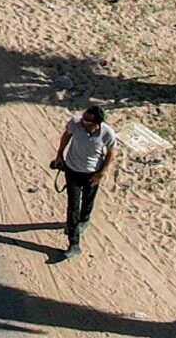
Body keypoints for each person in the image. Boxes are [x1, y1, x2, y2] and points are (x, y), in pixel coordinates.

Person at [51, 105, 116, 258]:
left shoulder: (107, 133)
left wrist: (101, 173)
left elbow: (111, 153)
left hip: (92, 173)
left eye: (86, 120)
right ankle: (74, 244)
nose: (82, 121)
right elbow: (66, 136)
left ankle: (84, 220)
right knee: (73, 206)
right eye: (83, 117)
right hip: (72, 170)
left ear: (96, 124)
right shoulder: (75, 123)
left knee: (88, 200)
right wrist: (59, 155)